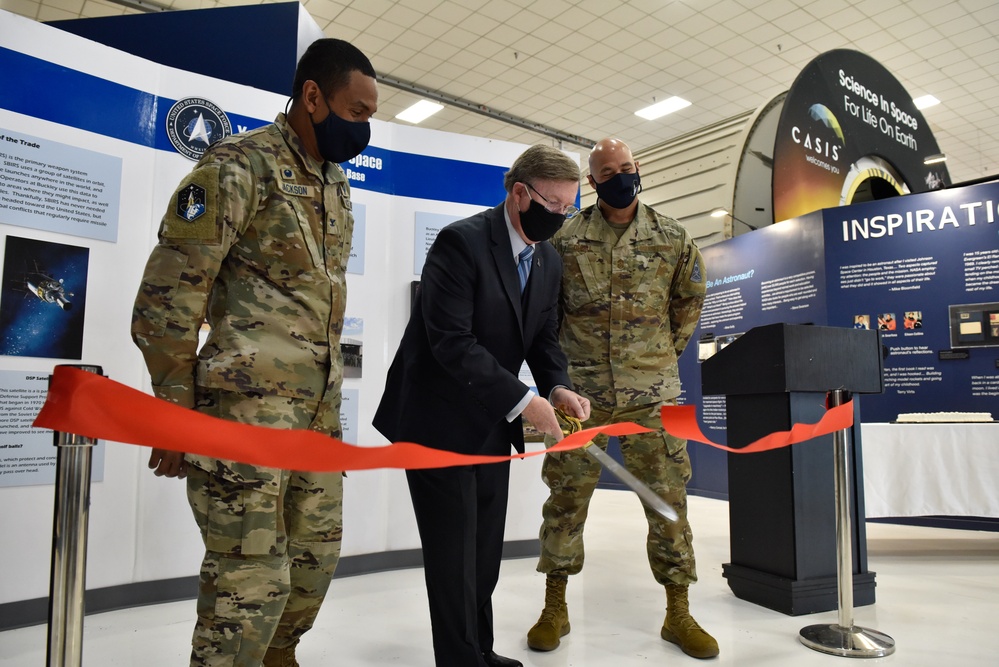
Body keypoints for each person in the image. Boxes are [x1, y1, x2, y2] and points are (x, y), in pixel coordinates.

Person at [130, 39, 378, 667]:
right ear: (312, 96)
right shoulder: (237, 166)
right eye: (356, 110)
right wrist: (176, 418)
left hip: (315, 419)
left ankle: (280, 657)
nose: (364, 127)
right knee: (247, 590)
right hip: (242, 419)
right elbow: (166, 304)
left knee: (312, 568)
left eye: (371, 115)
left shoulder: (335, 183)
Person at [374, 145, 591, 667]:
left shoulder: (548, 258)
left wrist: (557, 386)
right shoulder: (461, 243)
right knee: (453, 557)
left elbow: (542, 337)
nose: (561, 217)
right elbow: (451, 340)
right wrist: (524, 400)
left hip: (492, 421)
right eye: (554, 204)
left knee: (483, 552)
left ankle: (481, 652)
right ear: (520, 193)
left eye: (569, 208)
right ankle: (459, 660)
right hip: (436, 420)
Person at [526, 138, 717, 659]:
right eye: (607, 171)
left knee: (669, 500)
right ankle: (555, 605)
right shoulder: (565, 237)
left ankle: (678, 612)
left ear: (640, 169)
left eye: (626, 168)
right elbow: (546, 313)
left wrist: (655, 362)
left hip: (655, 397)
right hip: (578, 397)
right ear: (592, 181)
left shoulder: (673, 237)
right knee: (565, 500)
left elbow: (687, 306)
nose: (619, 177)